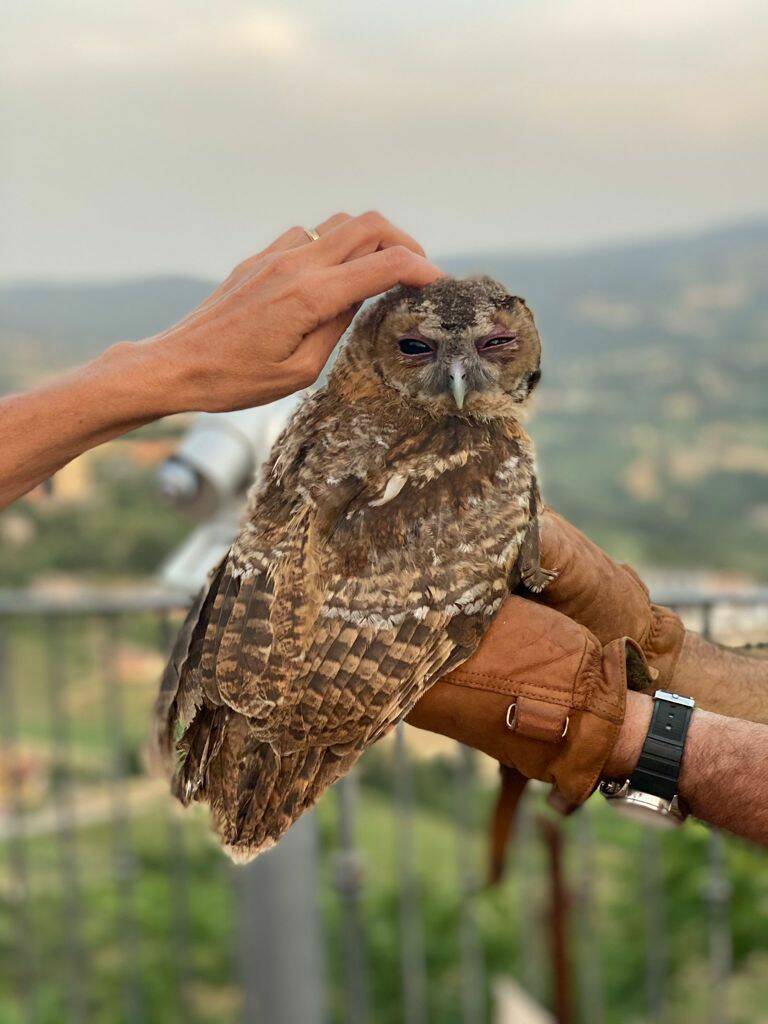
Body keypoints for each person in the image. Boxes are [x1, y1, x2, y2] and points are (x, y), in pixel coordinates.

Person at [1, 212, 766, 845]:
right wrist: (660, 652)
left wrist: (616, 727)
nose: (461, 376)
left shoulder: (460, 450)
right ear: (377, 354)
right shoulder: (418, 443)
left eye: (496, 349)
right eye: (416, 349)